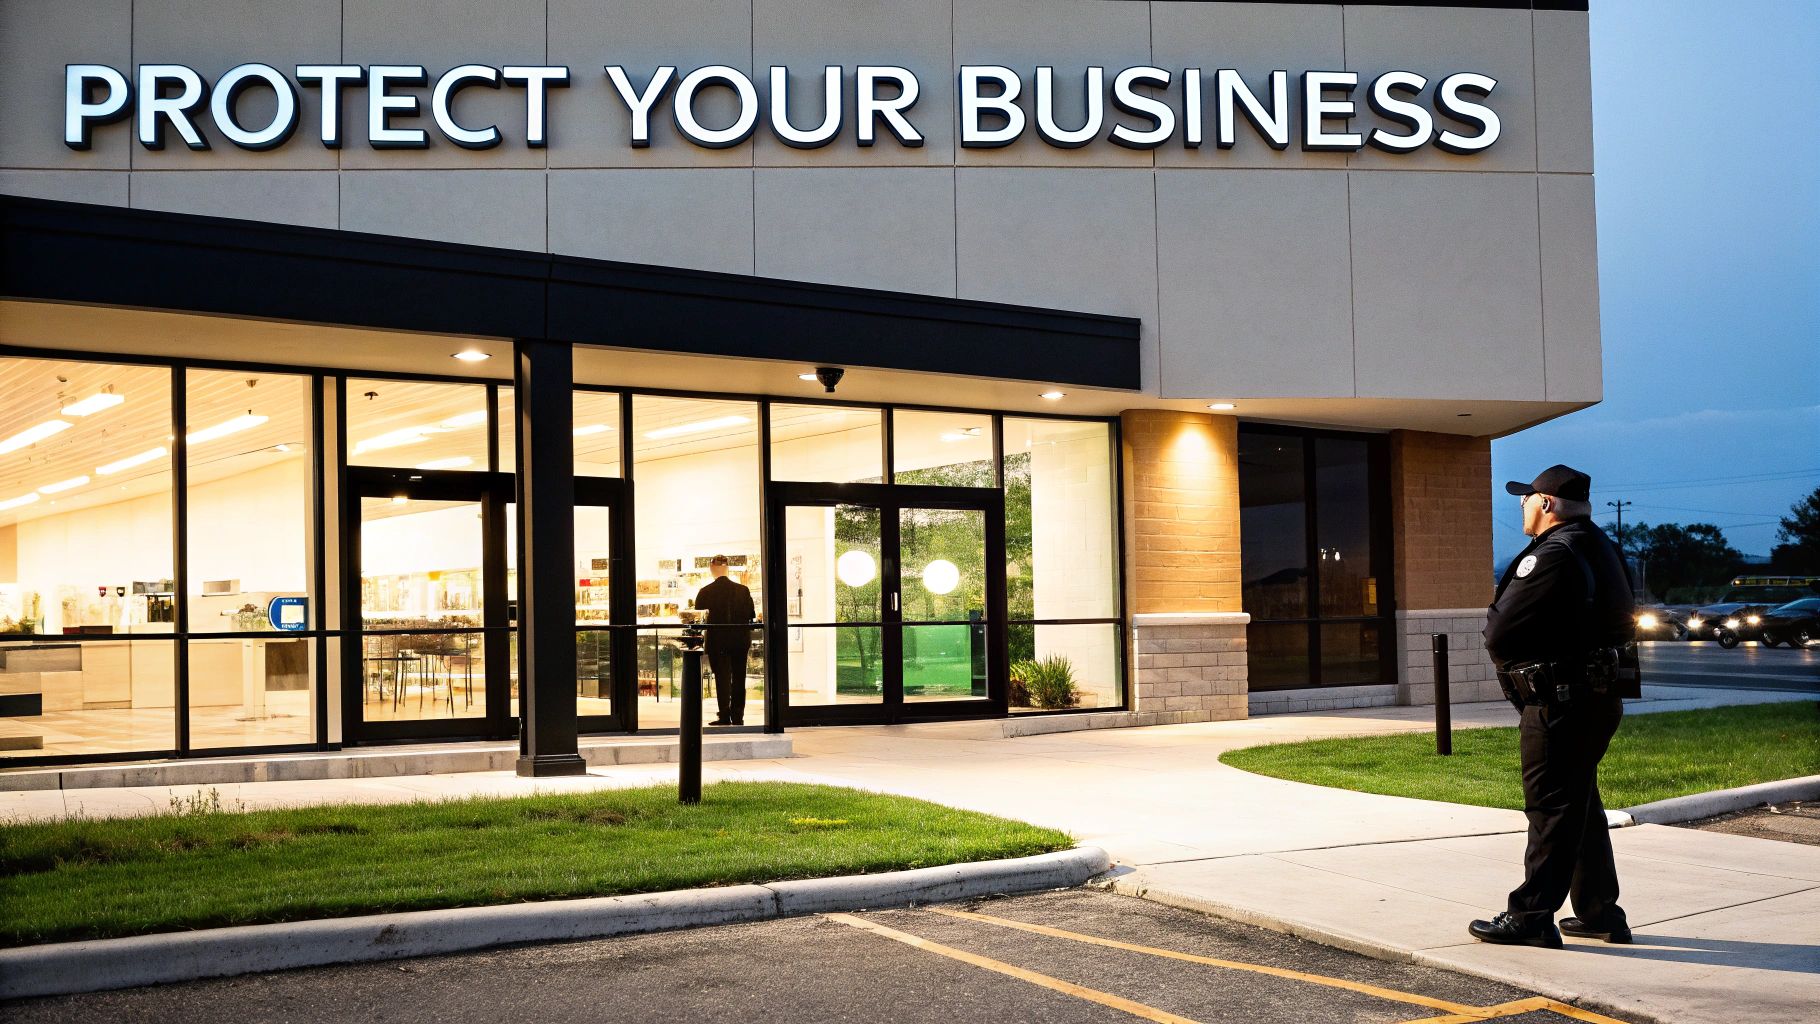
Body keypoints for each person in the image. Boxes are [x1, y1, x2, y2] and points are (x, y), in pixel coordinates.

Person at [1470, 464, 1636, 949]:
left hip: (1558, 702)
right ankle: (1601, 912)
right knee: (1580, 805)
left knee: (1550, 807)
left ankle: (1532, 916)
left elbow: (1500, 631)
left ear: (1546, 504)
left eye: (1526, 498)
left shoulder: (1554, 554)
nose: (1521, 505)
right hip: (1597, 699)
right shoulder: (1607, 548)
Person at [692, 555, 755, 726]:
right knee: (739, 677)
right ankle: (738, 715)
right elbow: (751, 615)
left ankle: (725, 714)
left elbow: (697, 616)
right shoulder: (743, 590)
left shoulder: (705, 592)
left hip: (718, 640)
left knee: (722, 677)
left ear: (712, 569)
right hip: (740, 639)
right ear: (728, 568)